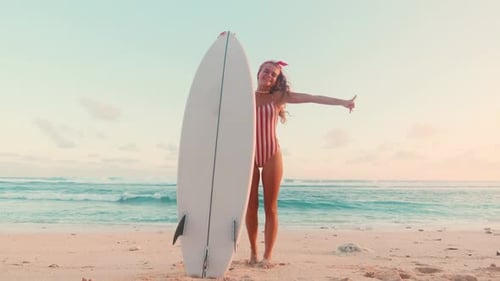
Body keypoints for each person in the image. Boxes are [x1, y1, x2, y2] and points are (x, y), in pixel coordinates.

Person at [245, 60, 356, 268]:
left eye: (273, 75)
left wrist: (343, 102)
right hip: (248, 156)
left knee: (270, 206)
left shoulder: (278, 97)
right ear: (258, 72)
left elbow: (312, 98)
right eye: (266, 72)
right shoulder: (244, 97)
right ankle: (253, 253)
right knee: (250, 206)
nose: (269, 76)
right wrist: (224, 44)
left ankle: (267, 256)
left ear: (276, 80)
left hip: (271, 154)